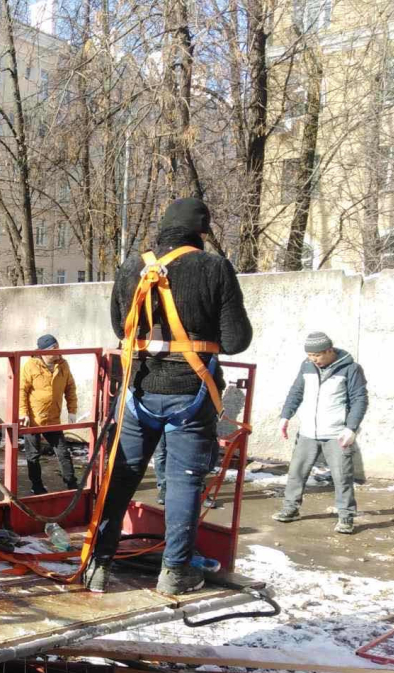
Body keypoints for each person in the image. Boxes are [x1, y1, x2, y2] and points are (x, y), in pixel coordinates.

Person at [84, 197, 253, 595]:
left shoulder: (132, 266)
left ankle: (97, 566)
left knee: (121, 476)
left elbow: (118, 326)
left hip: (136, 389)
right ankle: (175, 572)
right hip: (190, 393)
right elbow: (235, 340)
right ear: (200, 233)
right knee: (183, 482)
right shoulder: (213, 267)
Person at [273, 332, 368, 534]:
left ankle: (346, 517)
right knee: (296, 473)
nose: (313, 359)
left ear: (329, 350)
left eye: (316, 355)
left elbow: (360, 399)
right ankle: (291, 508)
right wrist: (285, 416)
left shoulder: (351, 369)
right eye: (309, 355)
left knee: (342, 476)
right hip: (308, 431)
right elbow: (296, 392)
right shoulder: (307, 366)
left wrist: (351, 428)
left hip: (337, 433)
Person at [19, 334, 79, 494]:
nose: (59, 351)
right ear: (44, 352)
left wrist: (72, 410)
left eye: (59, 347)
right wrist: (23, 413)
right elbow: (21, 390)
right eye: (55, 348)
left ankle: (72, 483)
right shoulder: (30, 365)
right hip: (33, 420)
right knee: (33, 455)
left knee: (63, 452)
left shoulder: (63, 365)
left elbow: (70, 388)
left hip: (53, 419)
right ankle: (37, 487)